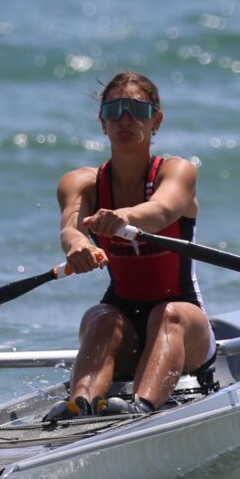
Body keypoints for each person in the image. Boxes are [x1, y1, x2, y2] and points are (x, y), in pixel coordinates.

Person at [45, 72, 214, 420]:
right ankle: (80, 406)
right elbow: (71, 230)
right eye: (115, 110)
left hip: (184, 326)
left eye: (137, 109)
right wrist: (78, 246)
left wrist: (122, 217)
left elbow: (161, 210)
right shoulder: (80, 183)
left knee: (169, 315)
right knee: (99, 317)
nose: (125, 119)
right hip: (122, 326)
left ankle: (140, 409)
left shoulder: (176, 171)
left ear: (157, 120)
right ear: (102, 122)